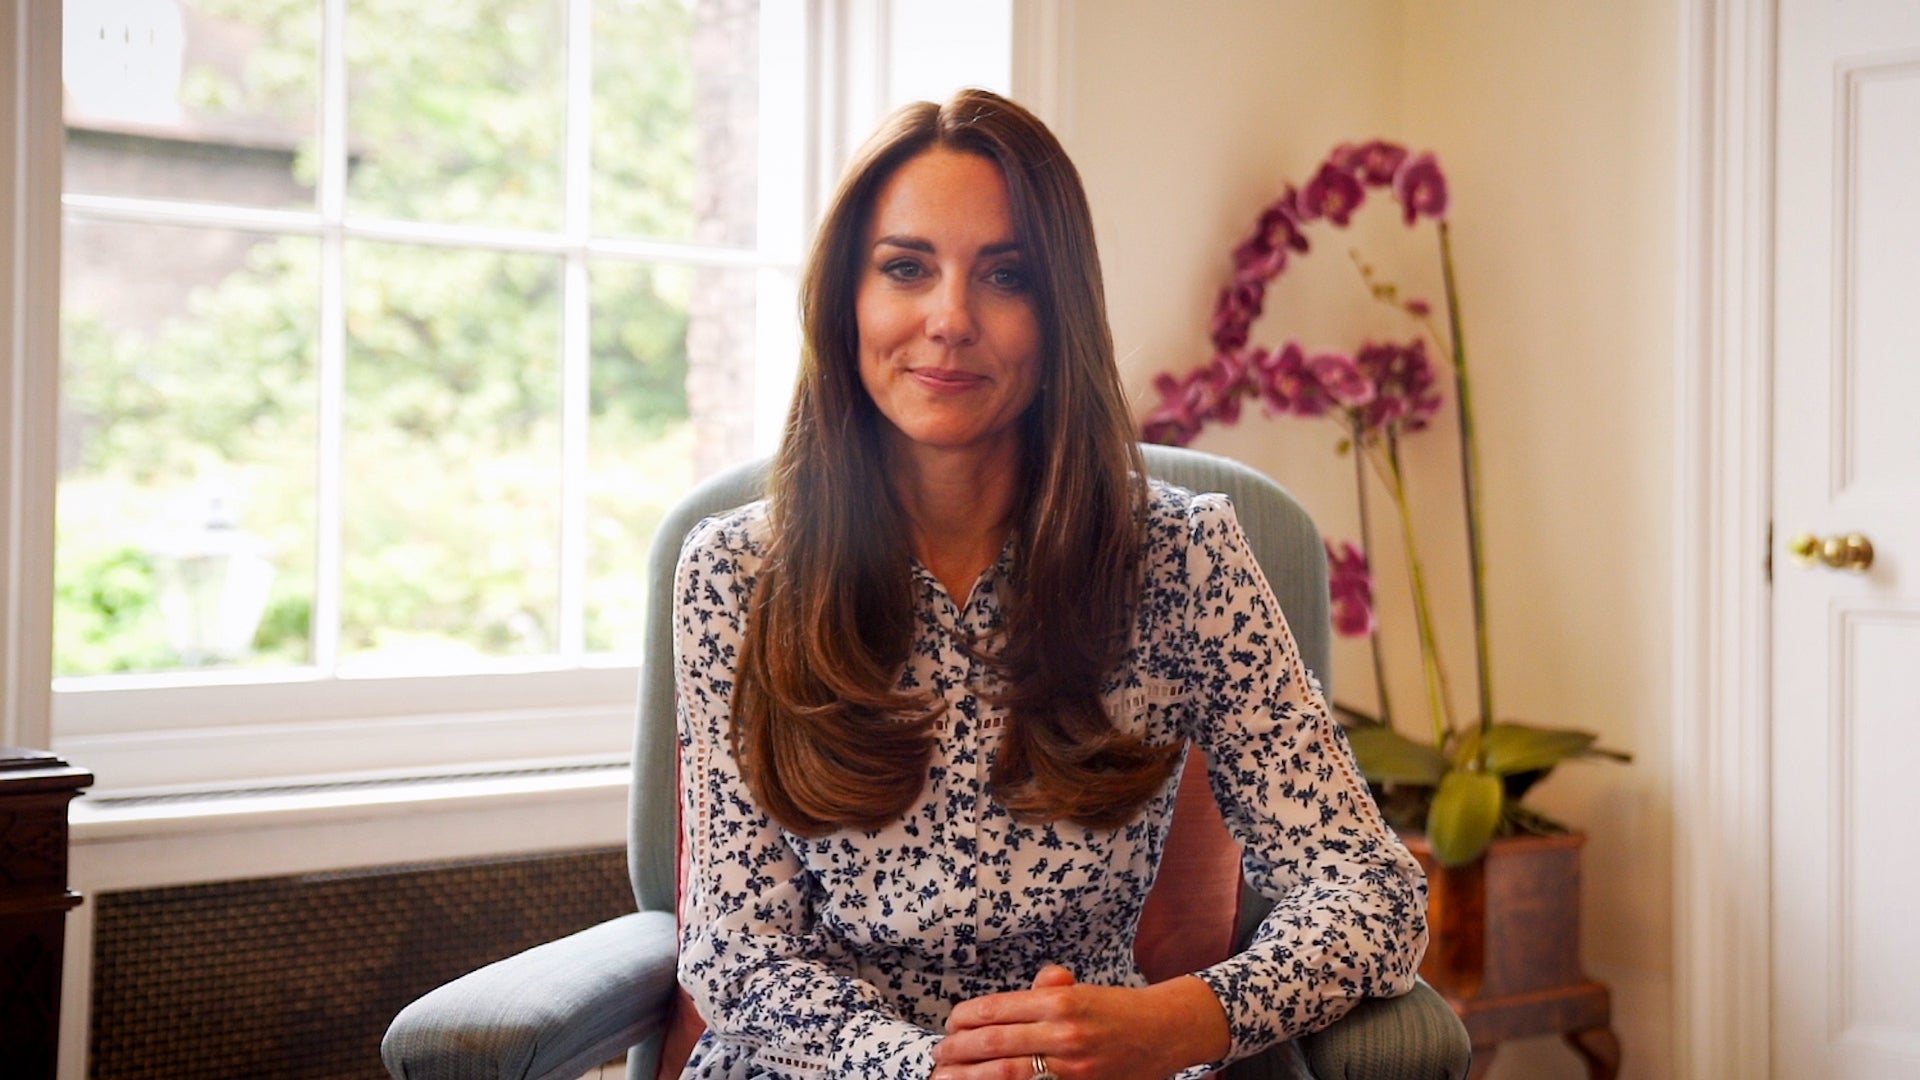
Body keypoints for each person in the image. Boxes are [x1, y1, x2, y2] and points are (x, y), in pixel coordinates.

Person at [671, 88, 1427, 1080]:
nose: (948, 320)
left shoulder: (1186, 559)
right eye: (905, 268)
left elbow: (1370, 889)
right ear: (845, 301)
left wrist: (1188, 1019)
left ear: (1060, 309)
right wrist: (918, 1068)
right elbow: (737, 951)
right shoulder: (734, 573)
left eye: (1006, 276)